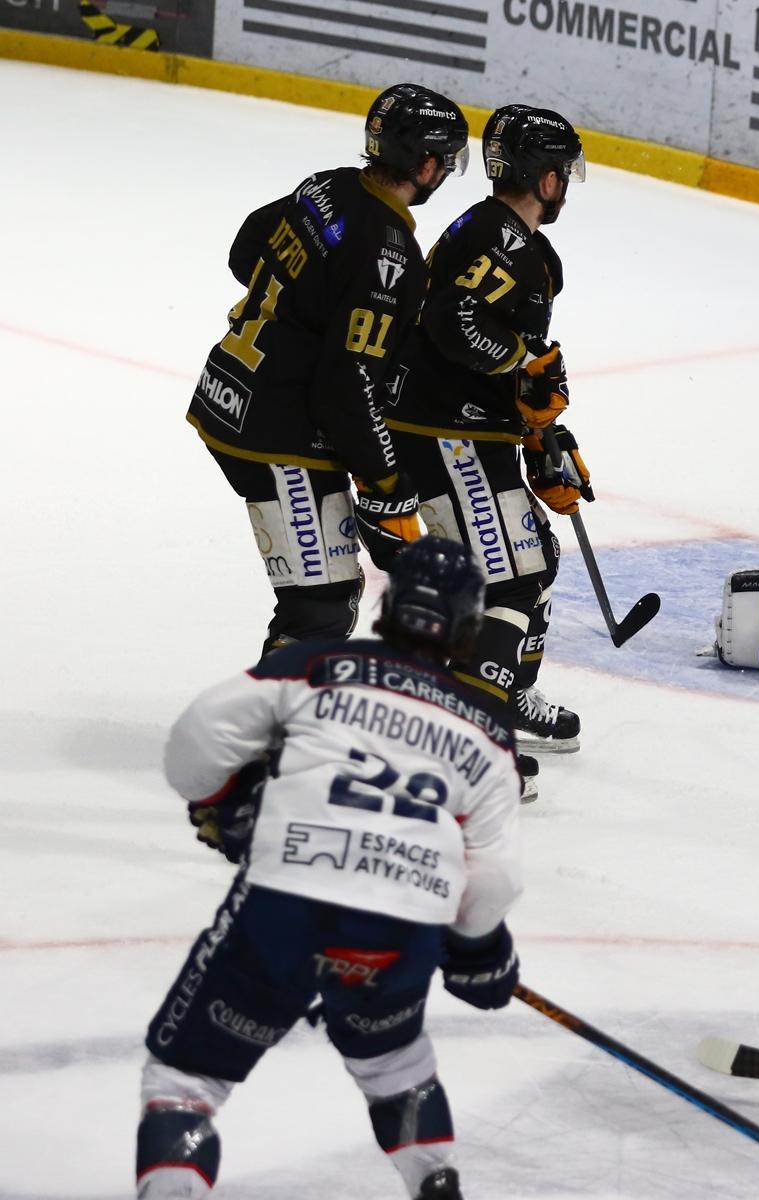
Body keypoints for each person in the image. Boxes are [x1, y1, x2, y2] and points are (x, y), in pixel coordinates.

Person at [135, 537, 524, 1200]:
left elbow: (198, 738)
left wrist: (227, 803)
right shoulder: (488, 729)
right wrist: (478, 953)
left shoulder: (314, 665)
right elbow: (490, 878)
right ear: (467, 627)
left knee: (186, 1080)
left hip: (287, 904)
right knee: (396, 1067)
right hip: (398, 929)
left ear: (389, 604)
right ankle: (434, 1183)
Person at [186, 83, 469, 657]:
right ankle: (275, 715)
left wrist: (303, 313)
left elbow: (247, 251)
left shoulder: (329, 185)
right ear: (426, 164)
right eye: (446, 161)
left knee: (323, 595)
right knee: (322, 603)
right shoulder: (391, 254)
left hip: (228, 391)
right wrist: (386, 482)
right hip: (277, 430)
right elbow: (348, 384)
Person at [386, 104, 589, 771]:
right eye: (563, 172)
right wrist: (525, 365)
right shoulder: (499, 239)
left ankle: (509, 694)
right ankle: (470, 736)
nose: (566, 184)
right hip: (447, 433)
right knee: (512, 578)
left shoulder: (510, 238)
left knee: (534, 558)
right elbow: (454, 324)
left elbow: (504, 352)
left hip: (466, 429)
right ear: (545, 177)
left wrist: (539, 433)